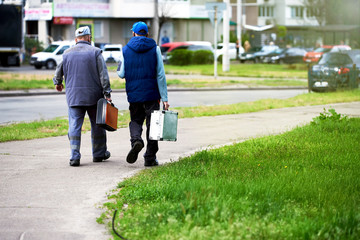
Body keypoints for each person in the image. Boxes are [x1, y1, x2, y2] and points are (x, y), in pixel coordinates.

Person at [53, 26, 112, 167]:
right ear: (89, 38)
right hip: (94, 97)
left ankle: (74, 157)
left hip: (74, 96)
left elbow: (58, 71)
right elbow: (103, 75)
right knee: (98, 125)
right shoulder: (96, 52)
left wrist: (58, 83)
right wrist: (107, 92)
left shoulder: (66, 53)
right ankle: (98, 154)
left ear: (76, 39)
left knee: (74, 126)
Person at [117, 21, 169, 167]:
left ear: (133, 33)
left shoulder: (125, 50)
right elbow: (160, 75)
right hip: (152, 95)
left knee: (135, 120)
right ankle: (150, 157)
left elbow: (121, 74)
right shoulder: (155, 49)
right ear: (147, 33)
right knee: (153, 125)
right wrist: (165, 98)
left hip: (134, 95)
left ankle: (136, 140)